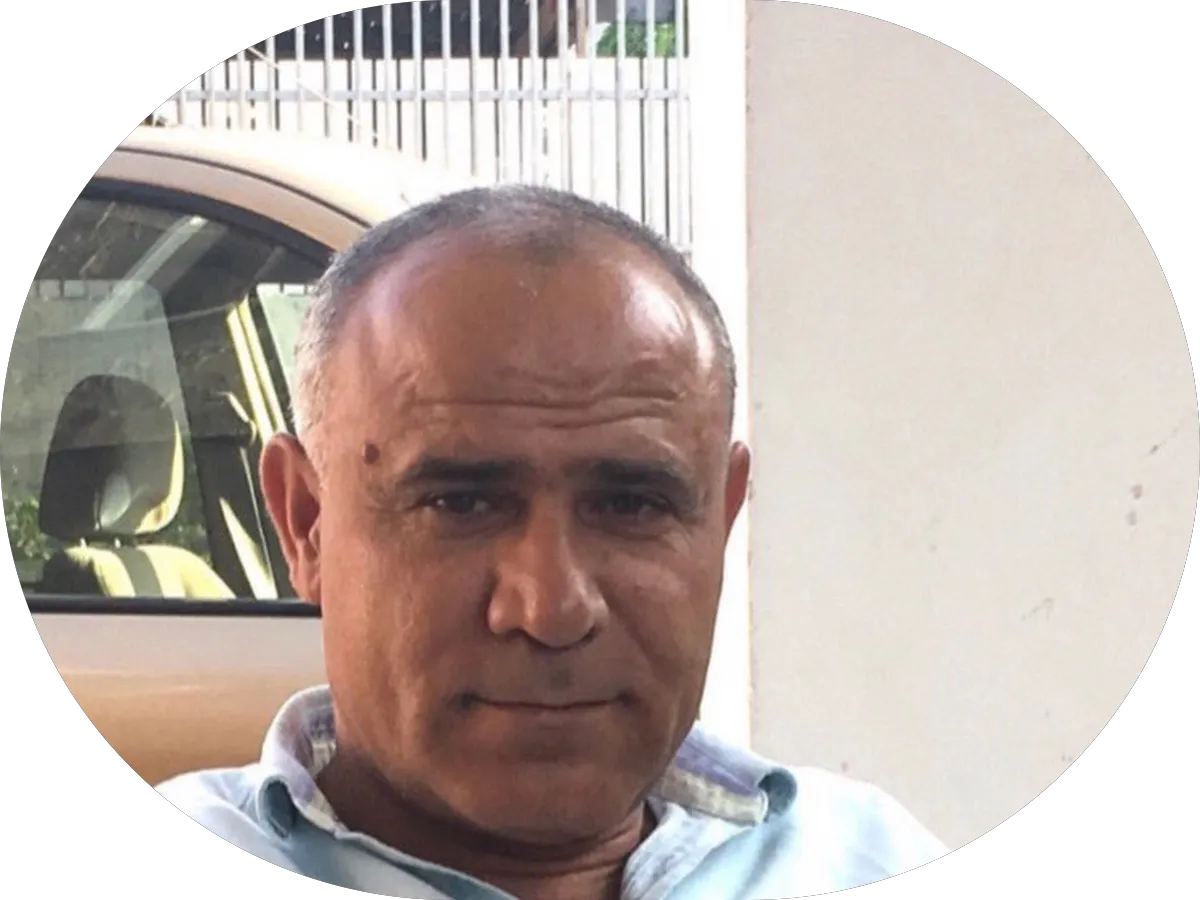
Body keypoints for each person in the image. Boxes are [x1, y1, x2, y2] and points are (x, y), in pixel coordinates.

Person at [156, 185, 948, 899]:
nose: (552, 608)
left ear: (722, 521)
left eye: (632, 504)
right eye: (461, 502)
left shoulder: (866, 856)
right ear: (306, 523)